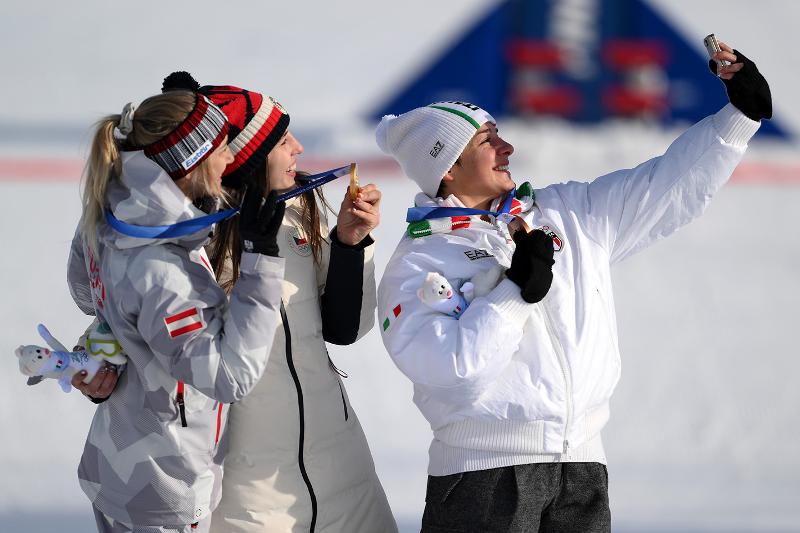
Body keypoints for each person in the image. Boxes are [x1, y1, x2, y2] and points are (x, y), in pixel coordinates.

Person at [374, 43, 771, 532]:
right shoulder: (419, 261)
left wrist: (737, 120)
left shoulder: (566, 213)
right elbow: (450, 371)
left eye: (500, 134)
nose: (507, 148)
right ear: (448, 168)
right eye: (487, 141)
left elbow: (664, 186)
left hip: (582, 469)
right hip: (482, 478)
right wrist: (512, 293)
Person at [160, 73, 398, 532]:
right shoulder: (192, 241)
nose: (300, 149)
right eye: (284, 140)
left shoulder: (295, 209)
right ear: (248, 156)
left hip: (345, 469)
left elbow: (343, 330)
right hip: (248, 493)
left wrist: (349, 243)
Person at [66, 89, 287, 532]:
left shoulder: (114, 209)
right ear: (194, 161)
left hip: (118, 467)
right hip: (164, 492)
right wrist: (259, 260)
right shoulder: (164, 269)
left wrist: (112, 341)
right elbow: (230, 376)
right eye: (223, 147)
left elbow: (86, 294)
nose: (231, 160)